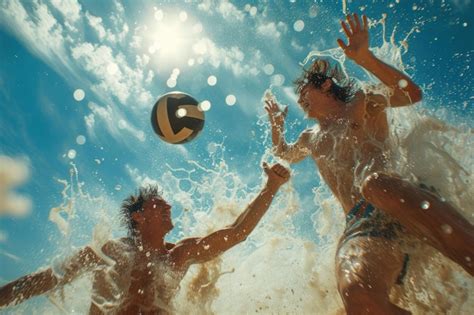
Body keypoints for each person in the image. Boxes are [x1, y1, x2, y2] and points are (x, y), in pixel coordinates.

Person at [265, 13, 474, 314]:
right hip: (364, 225)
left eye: (303, 90)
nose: (299, 99)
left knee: (374, 183)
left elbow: (411, 94)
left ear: (324, 85)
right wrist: (276, 125)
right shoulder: (309, 137)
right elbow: (284, 153)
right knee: (358, 296)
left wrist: (365, 58)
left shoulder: (363, 102)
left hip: (400, 198)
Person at [0, 162, 290, 314]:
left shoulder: (179, 254)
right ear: (138, 217)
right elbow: (46, 280)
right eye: (158, 203)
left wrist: (271, 187)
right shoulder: (109, 252)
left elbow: (237, 233)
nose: (168, 206)